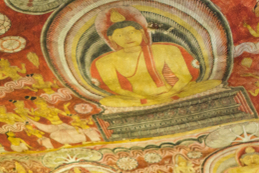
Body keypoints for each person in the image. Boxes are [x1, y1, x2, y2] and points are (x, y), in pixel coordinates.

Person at [90, 9, 221, 108]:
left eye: (132, 32)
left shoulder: (168, 49)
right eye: (120, 35)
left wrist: (170, 93)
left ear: (142, 32)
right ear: (111, 39)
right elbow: (117, 88)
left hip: (176, 91)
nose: (128, 38)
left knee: (213, 83)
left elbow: (185, 76)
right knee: (106, 101)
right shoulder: (104, 62)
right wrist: (143, 98)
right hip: (139, 98)